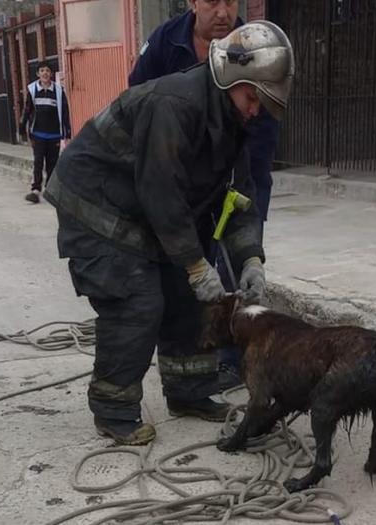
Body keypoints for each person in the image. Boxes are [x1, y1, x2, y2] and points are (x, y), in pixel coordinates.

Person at [45, 21, 293, 445]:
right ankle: (114, 410)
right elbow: (161, 193)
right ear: (235, 79)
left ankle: (188, 390)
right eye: (253, 98)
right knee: (137, 301)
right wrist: (197, 264)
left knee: (187, 296)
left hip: (147, 211)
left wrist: (251, 258)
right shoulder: (175, 105)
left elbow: (240, 200)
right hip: (97, 204)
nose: (256, 110)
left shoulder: (232, 122)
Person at [129, 0, 281, 391]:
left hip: (237, 173)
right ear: (194, 2)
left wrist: (252, 251)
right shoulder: (165, 43)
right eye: (212, 1)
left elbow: (262, 119)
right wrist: (193, 261)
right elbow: (139, 104)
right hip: (176, 179)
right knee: (189, 274)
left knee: (238, 268)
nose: (222, 12)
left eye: (231, 1)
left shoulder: (253, 48)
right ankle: (195, 363)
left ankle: (232, 361)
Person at [19, 60, 71, 204]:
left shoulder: (59, 92)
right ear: (38, 74)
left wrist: (67, 133)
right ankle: (35, 190)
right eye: (42, 71)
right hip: (38, 134)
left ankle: (50, 189)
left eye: (47, 71)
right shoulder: (32, 90)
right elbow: (27, 110)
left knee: (52, 163)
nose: (45, 73)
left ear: (51, 74)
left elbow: (65, 112)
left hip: (54, 134)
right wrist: (22, 127)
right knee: (38, 162)